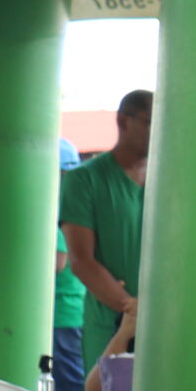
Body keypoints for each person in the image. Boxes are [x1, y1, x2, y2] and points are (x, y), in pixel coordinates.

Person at [60, 89, 151, 374]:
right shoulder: (85, 179)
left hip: (166, 325)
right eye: (150, 122)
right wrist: (132, 311)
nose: (160, 132)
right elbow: (82, 261)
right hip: (109, 327)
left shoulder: (172, 182)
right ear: (123, 121)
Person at [52, 142, 86, 391]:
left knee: (72, 390)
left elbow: (57, 263)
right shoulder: (74, 206)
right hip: (70, 310)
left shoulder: (58, 211)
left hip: (63, 313)